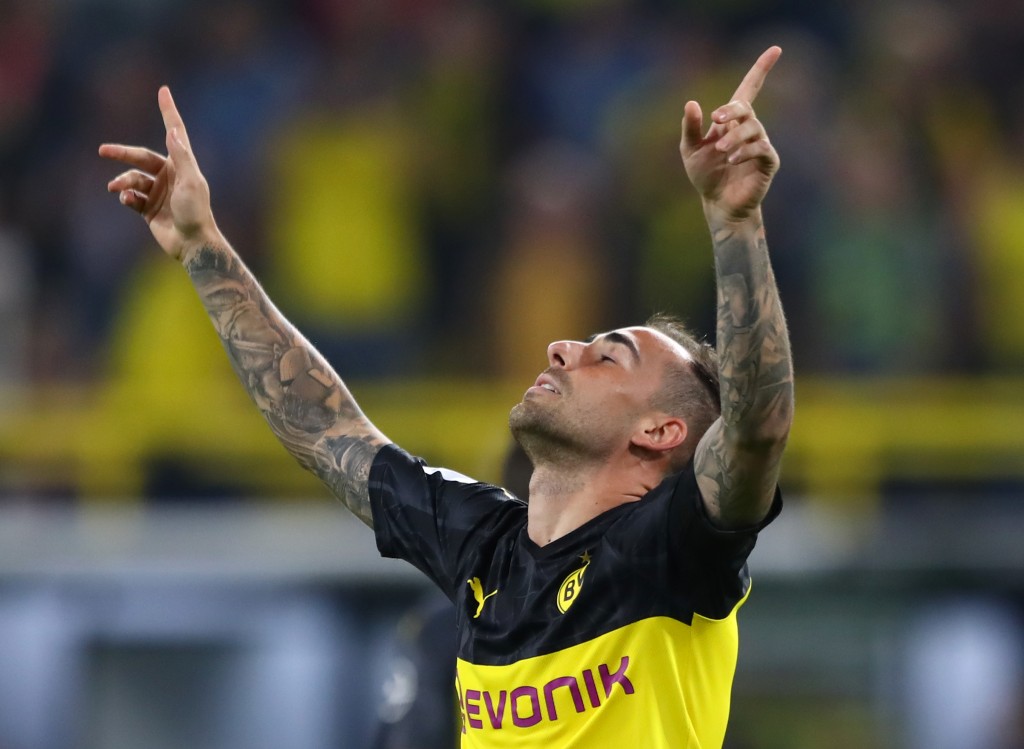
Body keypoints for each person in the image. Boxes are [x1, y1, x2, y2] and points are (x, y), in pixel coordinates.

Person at [100, 45, 793, 748]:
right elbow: (324, 426)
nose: (563, 348)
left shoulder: (669, 552)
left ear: (662, 431)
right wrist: (201, 244)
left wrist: (735, 222)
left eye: (608, 354)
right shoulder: (486, 550)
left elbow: (755, 429)